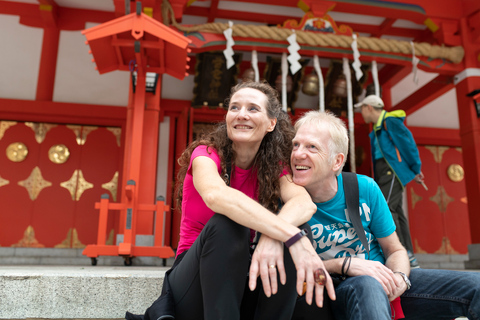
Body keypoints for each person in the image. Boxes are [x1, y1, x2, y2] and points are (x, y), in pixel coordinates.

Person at [128, 81, 335, 320]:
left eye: (253, 109)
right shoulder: (206, 155)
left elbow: (303, 203)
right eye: (234, 108)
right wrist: (290, 236)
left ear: (271, 123)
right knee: (228, 224)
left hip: (243, 278)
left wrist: (274, 236)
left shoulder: (272, 166)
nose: (241, 115)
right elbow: (217, 196)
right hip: (195, 283)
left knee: (297, 226)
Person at [291, 110, 480, 320]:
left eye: (312, 147)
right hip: (332, 290)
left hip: (384, 280)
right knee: (367, 284)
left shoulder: (364, 188)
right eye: (295, 145)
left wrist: (399, 278)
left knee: (475, 286)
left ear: (337, 161)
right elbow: (288, 268)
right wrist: (342, 264)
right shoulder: (284, 198)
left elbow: (395, 249)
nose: (298, 154)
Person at [355, 95, 423, 268]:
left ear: (369, 107)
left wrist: (415, 168)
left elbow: (407, 144)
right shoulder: (378, 126)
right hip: (385, 171)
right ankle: (408, 254)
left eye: (362, 108)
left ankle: (401, 252)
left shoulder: (389, 121)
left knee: (386, 208)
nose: (361, 112)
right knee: (397, 211)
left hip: (391, 171)